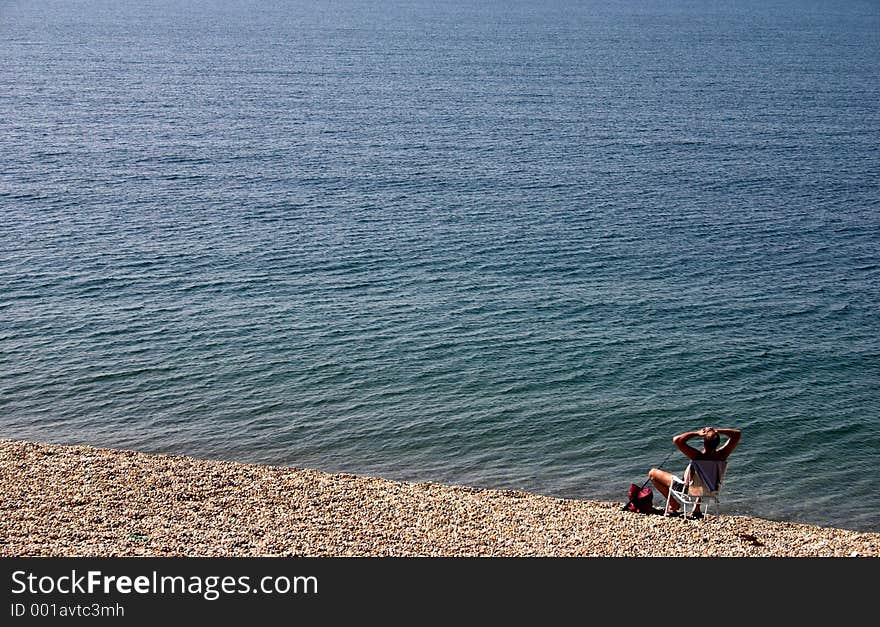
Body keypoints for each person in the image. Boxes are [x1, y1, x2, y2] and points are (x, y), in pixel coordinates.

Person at [648, 426, 741, 517]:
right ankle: (696, 508)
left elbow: (677, 440)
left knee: (652, 473)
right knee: (703, 476)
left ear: (704, 443)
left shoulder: (697, 456)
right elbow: (737, 434)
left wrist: (697, 433)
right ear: (718, 443)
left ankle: (673, 504)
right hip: (711, 490)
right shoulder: (722, 455)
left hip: (687, 490)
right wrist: (717, 431)